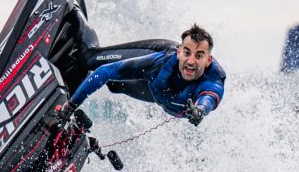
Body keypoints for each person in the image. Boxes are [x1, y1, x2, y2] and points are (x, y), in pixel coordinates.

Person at [58, 24, 226, 127]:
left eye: (198, 56)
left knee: (114, 86)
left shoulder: (212, 82)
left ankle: (70, 71)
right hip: (155, 59)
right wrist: (71, 107)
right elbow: (106, 71)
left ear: (208, 60)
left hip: (155, 92)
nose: (190, 61)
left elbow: (208, 99)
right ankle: (71, 6)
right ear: (179, 52)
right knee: (92, 60)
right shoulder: (160, 61)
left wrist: (199, 111)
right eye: (187, 53)